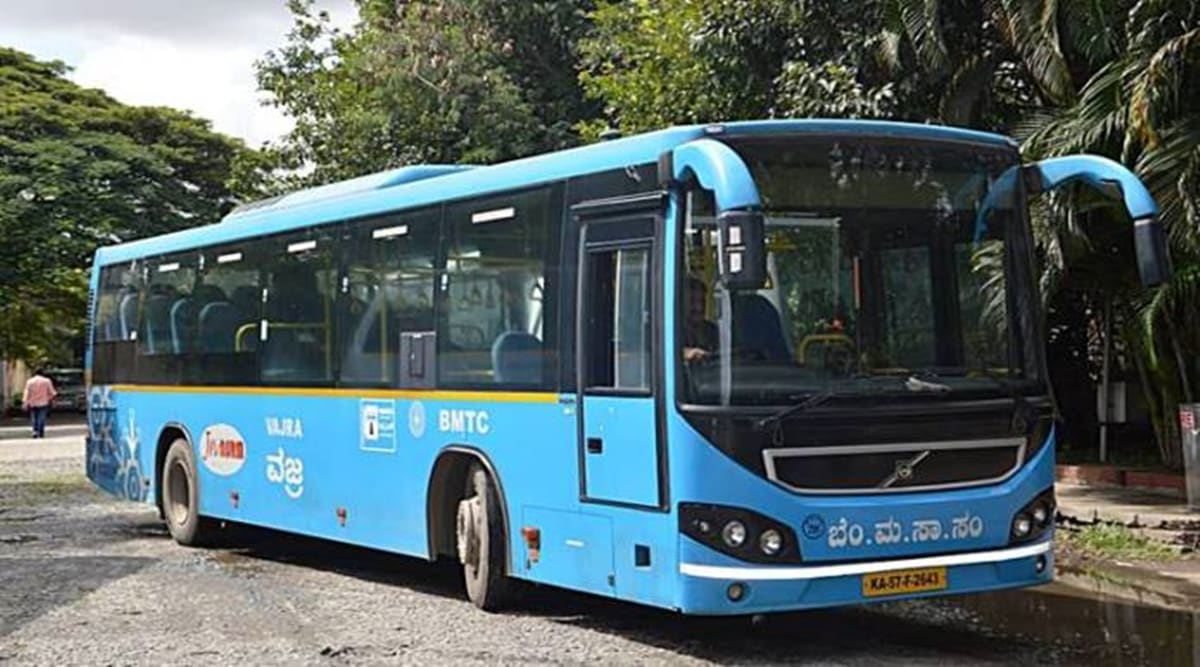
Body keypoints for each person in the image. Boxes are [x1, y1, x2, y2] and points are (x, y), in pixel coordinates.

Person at [683, 277, 719, 363]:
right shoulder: (670, 333)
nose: (699, 308)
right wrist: (684, 354)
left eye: (702, 301)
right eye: (692, 301)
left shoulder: (713, 331)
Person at [22, 368, 57, 439]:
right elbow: (52, 392)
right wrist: (52, 400)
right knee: (42, 417)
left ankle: (35, 431)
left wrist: (25, 402)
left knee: (33, 417)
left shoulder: (30, 381)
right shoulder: (47, 381)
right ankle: (41, 431)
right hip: (43, 402)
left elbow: (26, 392)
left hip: (32, 402)